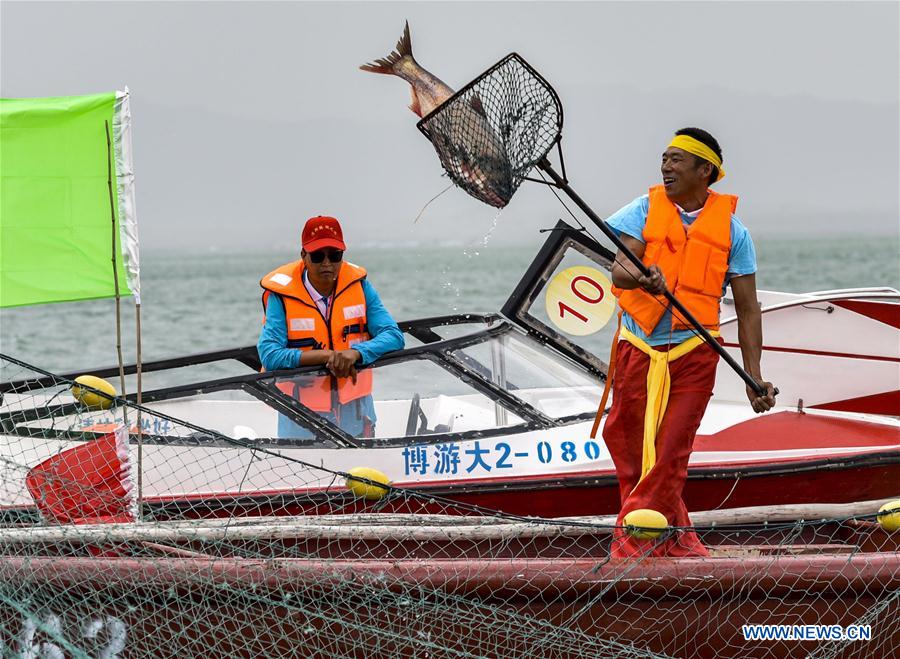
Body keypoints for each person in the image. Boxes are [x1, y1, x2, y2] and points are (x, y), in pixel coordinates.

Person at [601, 127, 777, 558]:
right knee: (625, 441)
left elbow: (749, 309)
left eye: (677, 159)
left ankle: (633, 546)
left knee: (670, 449)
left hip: (693, 351)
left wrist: (754, 377)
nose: (666, 166)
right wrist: (646, 275)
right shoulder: (641, 210)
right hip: (638, 346)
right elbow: (620, 270)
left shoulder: (735, 233)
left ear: (706, 171)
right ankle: (675, 539)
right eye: (664, 158)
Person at [257, 216, 404, 438]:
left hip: (356, 412)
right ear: (304, 256)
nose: (327, 263)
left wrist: (356, 353)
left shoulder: (360, 286)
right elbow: (269, 355)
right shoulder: (281, 297)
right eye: (318, 256)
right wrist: (326, 356)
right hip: (300, 419)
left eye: (335, 255)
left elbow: (393, 336)